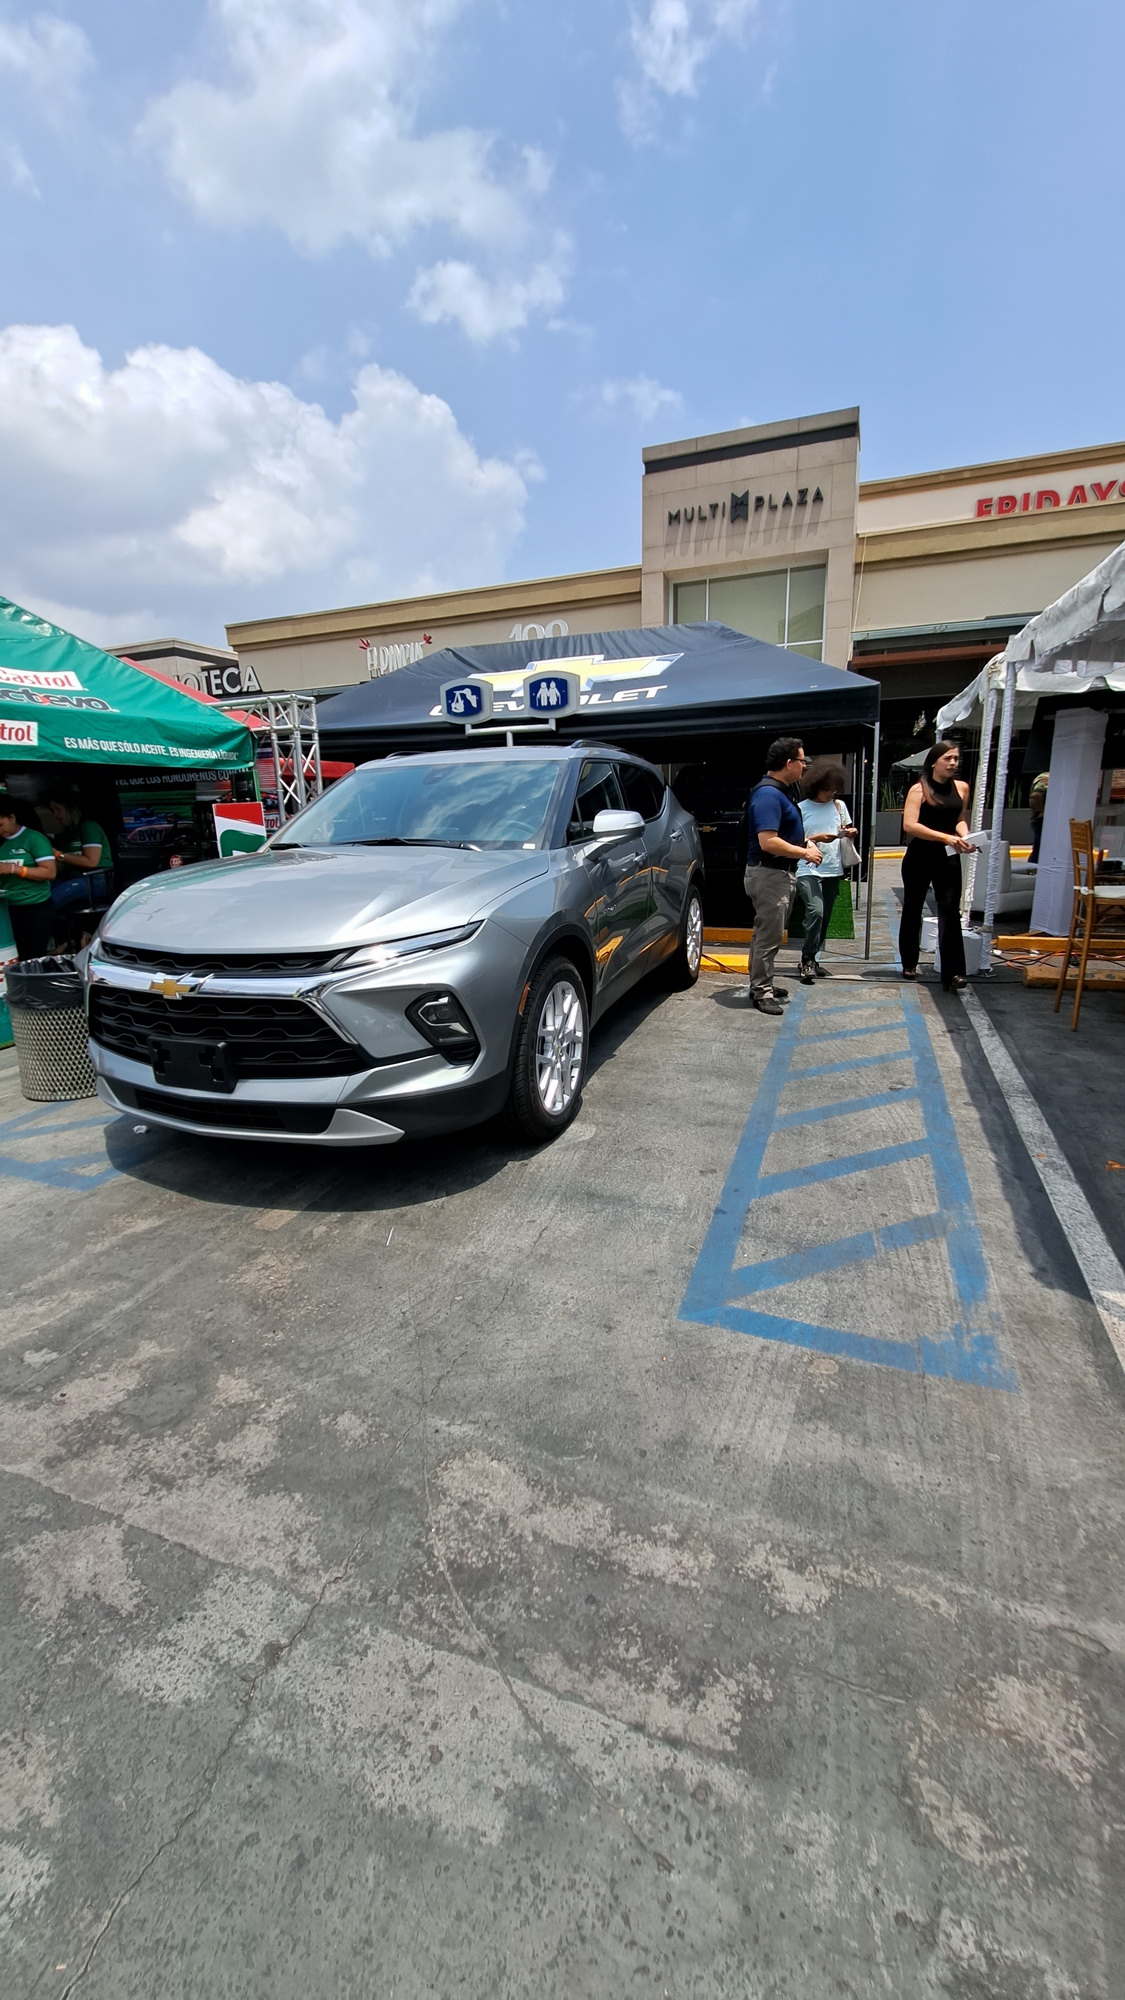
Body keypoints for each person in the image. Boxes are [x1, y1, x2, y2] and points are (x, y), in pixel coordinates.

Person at [744, 737, 822, 1016]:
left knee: (766, 934)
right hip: (769, 874)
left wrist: (805, 843)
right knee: (769, 936)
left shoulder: (779, 792)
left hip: (776, 874)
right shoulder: (768, 795)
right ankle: (761, 991)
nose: (804, 766)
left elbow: (785, 835)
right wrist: (804, 854)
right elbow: (768, 841)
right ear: (788, 763)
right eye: (802, 760)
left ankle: (761, 983)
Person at [899, 741, 973, 991]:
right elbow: (910, 825)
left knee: (950, 912)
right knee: (913, 908)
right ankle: (909, 961)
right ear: (934, 761)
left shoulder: (962, 788)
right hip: (920, 856)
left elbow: (959, 819)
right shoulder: (919, 790)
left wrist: (966, 836)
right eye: (948, 759)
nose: (953, 763)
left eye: (955, 759)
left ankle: (954, 972)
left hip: (948, 857)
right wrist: (945, 837)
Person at [793, 761, 858, 983]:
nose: (832, 792)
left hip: (833, 868)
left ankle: (811, 957)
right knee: (816, 911)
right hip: (807, 867)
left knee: (826, 916)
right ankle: (807, 958)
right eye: (828, 788)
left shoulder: (839, 806)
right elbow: (793, 840)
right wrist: (817, 838)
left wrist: (849, 833)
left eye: (835, 789)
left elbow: (845, 829)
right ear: (816, 786)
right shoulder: (801, 808)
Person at [0, 792, 57, 959]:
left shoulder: (33, 838)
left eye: (1, 824)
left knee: (31, 955)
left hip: (34, 907)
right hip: (5, 908)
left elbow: (49, 871)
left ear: (11, 817)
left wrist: (14, 869)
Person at [40, 793, 112, 920]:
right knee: (40, 891)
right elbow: (62, 866)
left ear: (71, 809)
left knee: (50, 900)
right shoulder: (66, 833)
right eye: (52, 811)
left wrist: (58, 854)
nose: (55, 815)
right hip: (71, 876)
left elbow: (91, 862)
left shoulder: (88, 827)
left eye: (58, 810)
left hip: (95, 879)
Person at [1028, 771, 1049, 864]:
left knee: (1038, 847)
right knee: (1039, 847)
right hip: (1042, 819)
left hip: (1040, 818)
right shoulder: (1047, 778)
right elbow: (1035, 796)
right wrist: (1042, 811)